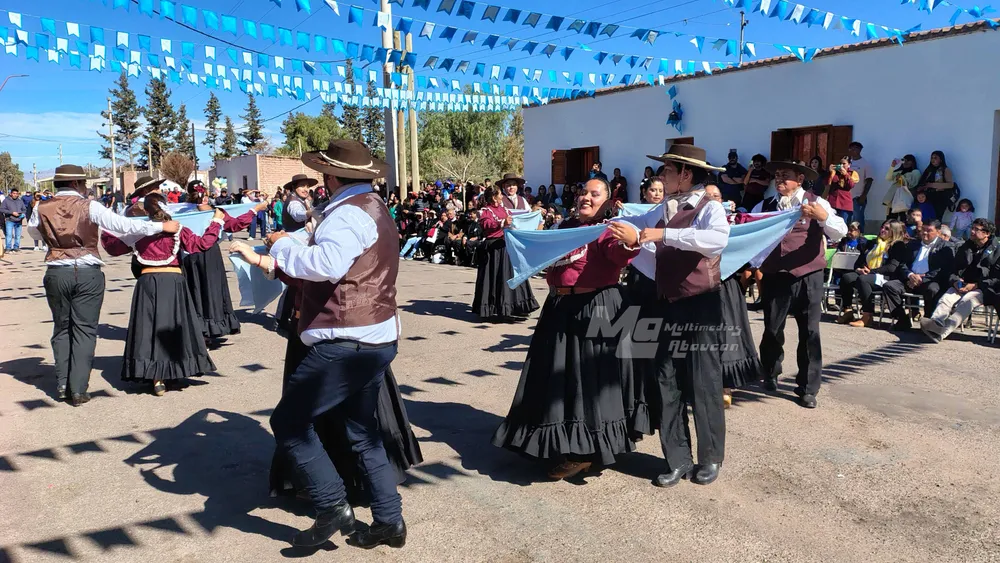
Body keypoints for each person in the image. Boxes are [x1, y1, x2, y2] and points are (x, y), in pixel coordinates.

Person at [263, 140, 407, 549]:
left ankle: (331, 505)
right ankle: (389, 521)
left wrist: (282, 248)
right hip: (377, 335)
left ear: (330, 176)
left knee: (289, 423)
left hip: (346, 339)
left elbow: (327, 265)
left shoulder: (347, 214)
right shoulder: (375, 207)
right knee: (362, 431)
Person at [492, 178, 641, 480]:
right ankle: (559, 443)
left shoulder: (608, 229)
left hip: (597, 307)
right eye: (583, 191)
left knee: (588, 379)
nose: (586, 197)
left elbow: (619, 252)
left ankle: (584, 451)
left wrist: (630, 241)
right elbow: (545, 259)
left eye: (594, 194)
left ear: (607, 201)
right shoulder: (565, 226)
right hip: (559, 306)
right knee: (555, 377)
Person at [618, 145, 730, 487]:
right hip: (667, 303)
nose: (660, 176)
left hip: (700, 305)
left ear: (685, 174)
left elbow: (716, 240)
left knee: (703, 383)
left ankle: (710, 458)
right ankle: (678, 458)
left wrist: (665, 234)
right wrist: (615, 225)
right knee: (665, 380)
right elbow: (638, 226)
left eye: (666, 170)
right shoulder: (663, 208)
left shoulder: (710, 207)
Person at [28, 165, 180, 405]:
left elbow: (34, 234)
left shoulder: (41, 206)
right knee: (85, 329)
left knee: (61, 327)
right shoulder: (91, 206)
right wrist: (160, 227)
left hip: (56, 270)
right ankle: (78, 389)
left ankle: (62, 384)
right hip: (88, 271)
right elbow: (123, 226)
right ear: (78, 183)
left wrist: (55, 237)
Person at [100, 194, 223, 395]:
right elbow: (200, 245)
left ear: (146, 211)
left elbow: (113, 248)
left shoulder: (138, 230)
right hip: (173, 281)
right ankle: (174, 370)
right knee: (172, 325)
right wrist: (216, 221)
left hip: (147, 281)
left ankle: (156, 377)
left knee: (149, 327)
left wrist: (108, 224)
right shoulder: (177, 228)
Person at [752, 161, 848, 409]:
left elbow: (840, 231)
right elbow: (752, 235)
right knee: (772, 329)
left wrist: (823, 217)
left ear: (800, 179)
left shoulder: (817, 201)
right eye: (777, 176)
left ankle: (808, 388)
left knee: (810, 333)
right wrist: (757, 264)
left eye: (786, 176)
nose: (779, 179)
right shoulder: (764, 205)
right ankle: (770, 371)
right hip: (776, 276)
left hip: (809, 276)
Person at [183, 180, 268, 342]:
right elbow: (236, 225)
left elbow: (234, 225)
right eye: (202, 196)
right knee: (203, 289)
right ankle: (202, 328)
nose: (204, 199)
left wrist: (254, 210)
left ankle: (206, 328)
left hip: (200, 256)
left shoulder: (207, 212)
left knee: (204, 289)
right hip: (199, 256)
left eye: (205, 196)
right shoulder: (196, 213)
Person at [921, 218, 1000, 342]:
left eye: (976, 229)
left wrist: (975, 285)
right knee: (946, 299)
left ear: (987, 233)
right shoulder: (965, 247)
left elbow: (996, 278)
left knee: (966, 302)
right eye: (972, 228)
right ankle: (935, 324)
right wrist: (955, 281)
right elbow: (953, 269)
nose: (972, 232)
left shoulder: (997, 251)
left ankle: (941, 333)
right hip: (962, 284)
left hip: (982, 288)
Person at [472, 182, 539, 322]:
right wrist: (502, 223)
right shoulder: (486, 211)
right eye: (500, 194)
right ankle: (500, 308)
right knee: (499, 278)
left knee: (513, 275)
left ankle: (517, 307)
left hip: (507, 245)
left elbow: (514, 220)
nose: (502, 196)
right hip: (494, 249)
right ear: (494, 198)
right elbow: (487, 224)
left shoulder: (504, 208)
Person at [880, 220, 954, 331]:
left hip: (929, 281)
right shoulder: (913, 244)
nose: (925, 233)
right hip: (910, 279)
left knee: (933, 289)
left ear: (938, 232)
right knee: (890, 286)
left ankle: (928, 322)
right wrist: (910, 275)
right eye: (923, 230)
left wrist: (922, 278)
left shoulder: (945, 247)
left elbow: (942, 270)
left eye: (929, 231)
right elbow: (903, 264)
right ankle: (902, 319)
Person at [917, 151, 956, 221]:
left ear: (941, 159)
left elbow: (950, 185)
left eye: (935, 158)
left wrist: (932, 185)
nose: (933, 160)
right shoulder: (929, 170)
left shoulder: (945, 169)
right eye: (932, 158)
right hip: (928, 197)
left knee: (937, 218)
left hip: (940, 198)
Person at [883, 155, 921, 221]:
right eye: (904, 160)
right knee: (890, 219)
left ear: (912, 162)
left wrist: (901, 178)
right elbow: (888, 178)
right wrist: (892, 166)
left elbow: (912, 184)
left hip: (905, 199)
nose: (905, 162)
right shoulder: (899, 171)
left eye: (908, 160)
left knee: (904, 219)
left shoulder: (915, 172)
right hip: (894, 199)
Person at [847, 142, 874, 232]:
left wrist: (863, 196)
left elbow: (869, 180)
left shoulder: (865, 164)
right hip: (846, 197)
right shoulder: (847, 163)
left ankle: (860, 239)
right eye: (852, 148)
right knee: (846, 219)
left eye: (856, 148)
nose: (854, 150)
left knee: (857, 220)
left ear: (860, 150)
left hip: (857, 197)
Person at [823, 156, 855, 224]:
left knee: (843, 225)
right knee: (831, 224)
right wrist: (830, 172)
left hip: (844, 204)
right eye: (840, 163)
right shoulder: (834, 173)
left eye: (844, 164)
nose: (841, 165)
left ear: (849, 165)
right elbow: (826, 183)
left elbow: (851, 185)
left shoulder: (851, 173)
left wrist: (845, 174)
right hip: (833, 203)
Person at [1, 188, 26, 252]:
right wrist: (12, 213)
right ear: (11, 194)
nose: (15, 195)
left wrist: (22, 214)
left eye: (16, 194)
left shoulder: (20, 201)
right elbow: (2, 209)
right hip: (10, 220)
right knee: (9, 235)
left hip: (19, 220)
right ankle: (8, 248)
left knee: (18, 235)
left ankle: (16, 247)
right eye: (14, 193)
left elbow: (24, 209)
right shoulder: (6, 200)